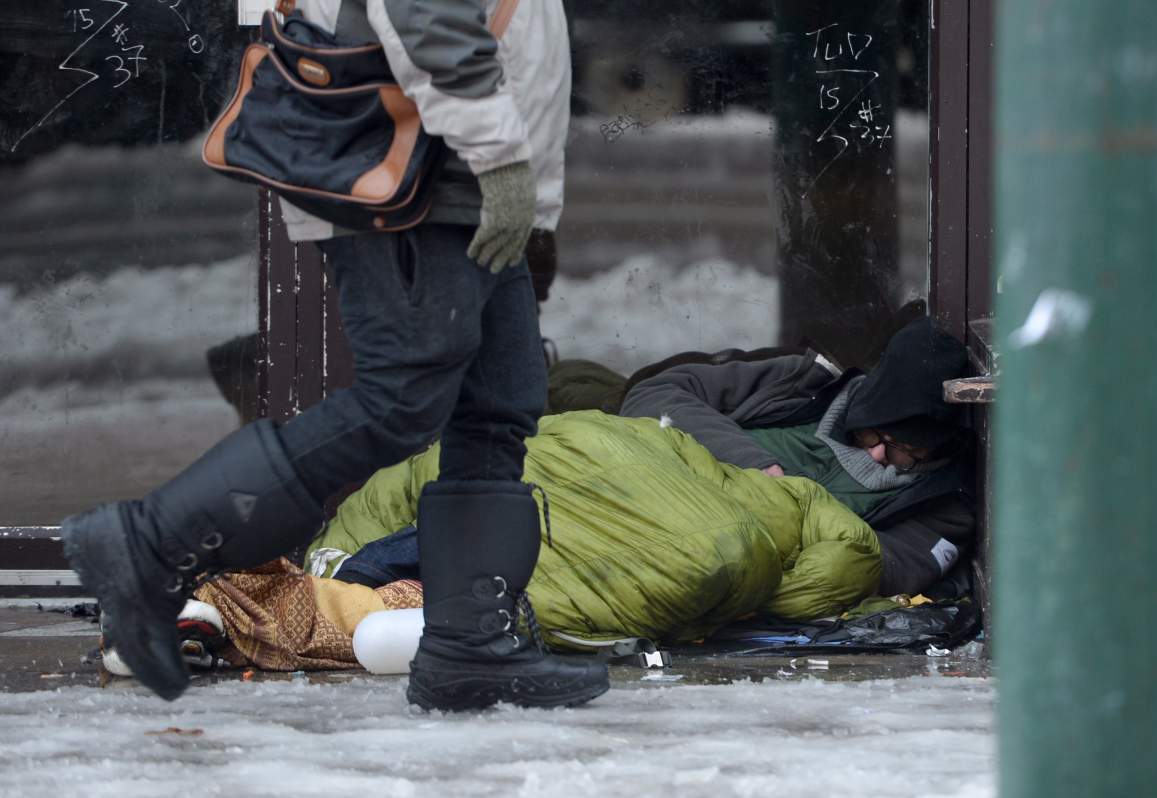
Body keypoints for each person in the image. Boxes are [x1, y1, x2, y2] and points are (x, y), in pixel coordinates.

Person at [61, 0, 608, 711]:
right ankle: (151, 542)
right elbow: (428, 15)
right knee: (402, 395)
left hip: (457, 163)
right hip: (417, 165)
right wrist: (498, 156)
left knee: (499, 399)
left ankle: (471, 648)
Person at [620, 317, 975, 599]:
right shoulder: (798, 385)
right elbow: (653, 395)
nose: (878, 454)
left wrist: (785, 517)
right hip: (638, 507)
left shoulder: (944, 509)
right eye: (873, 433)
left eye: (907, 452)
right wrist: (756, 466)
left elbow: (877, 569)